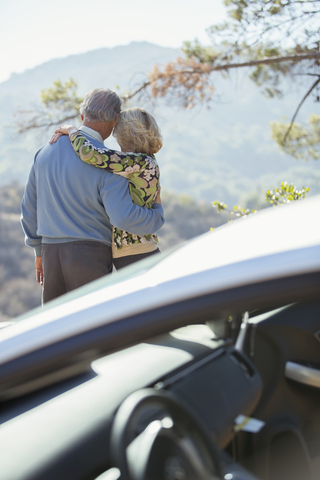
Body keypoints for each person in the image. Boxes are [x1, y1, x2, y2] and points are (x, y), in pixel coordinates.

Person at [21, 88, 164, 303]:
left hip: (50, 252)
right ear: (115, 120)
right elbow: (122, 217)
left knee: (55, 330)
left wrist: (38, 250)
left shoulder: (44, 151)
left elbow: (29, 206)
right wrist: (157, 216)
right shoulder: (111, 164)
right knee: (92, 328)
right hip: (90, 256)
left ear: (82, 115)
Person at [50, 107, 162, 270]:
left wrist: (73, 131)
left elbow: (90, 154)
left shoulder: (138, 162)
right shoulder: (146, 161)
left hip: (137, 254)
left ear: (126, 133)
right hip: (139, 252)